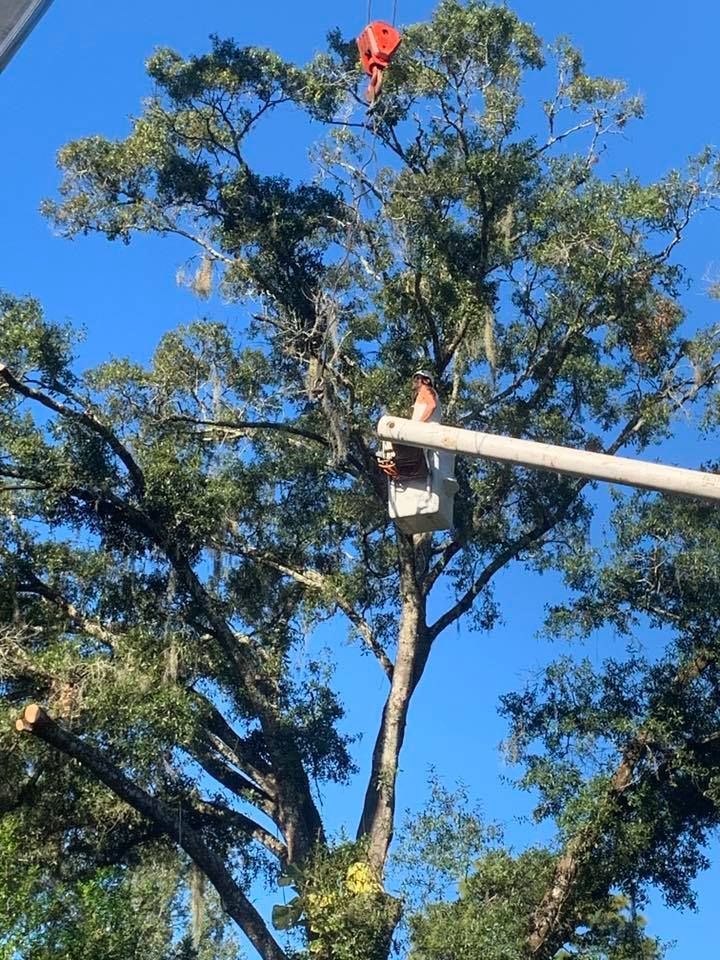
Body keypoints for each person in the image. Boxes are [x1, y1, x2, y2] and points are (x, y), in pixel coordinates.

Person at [377, 370, 441, 480]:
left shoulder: (427, 390)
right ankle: (405, 469)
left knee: (395, 433)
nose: (415, 381)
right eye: (414, 378)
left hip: (426, 429)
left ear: (426, 381)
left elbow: (432, 405)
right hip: (426, 431)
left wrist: (419, 423)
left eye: (418, 378)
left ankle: (400, 466)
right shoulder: (422, 393)